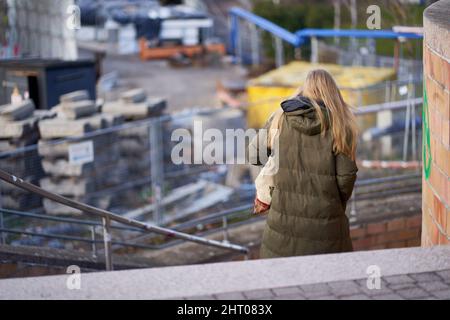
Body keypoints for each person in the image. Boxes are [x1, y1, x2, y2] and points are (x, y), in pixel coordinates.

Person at [248, 69, 359, 258]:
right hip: (326, 229)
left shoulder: (281, 118)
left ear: (304, 90)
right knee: (327, 283)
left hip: (280, 228)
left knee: (281, 283)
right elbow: (346, 178)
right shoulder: (340, 126)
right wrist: (332, 202)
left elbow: (254, 155)